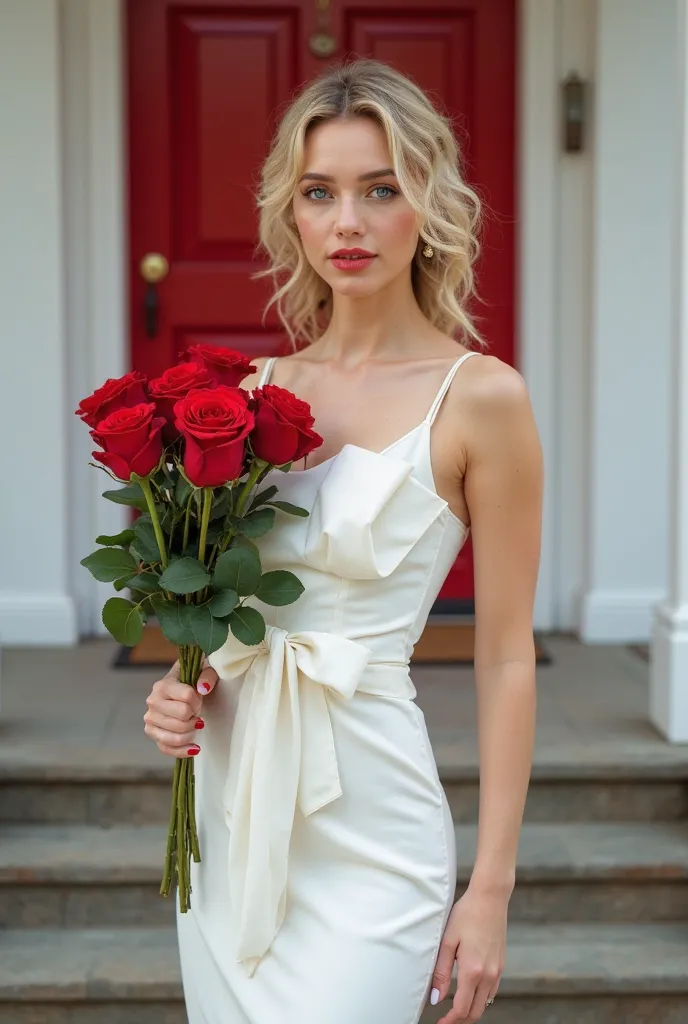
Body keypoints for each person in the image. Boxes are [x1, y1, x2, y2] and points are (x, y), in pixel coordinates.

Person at [143, 57, 541, 1024]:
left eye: (381, 189)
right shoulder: (241, 399)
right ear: (293, 212)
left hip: (371, 820)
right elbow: (217, 607)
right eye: (321, 193)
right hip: (231, 810)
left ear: (428, 205)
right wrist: (179, 685)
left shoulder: (482, 397)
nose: (348, 223)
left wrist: (489, 892)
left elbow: (505, 658)